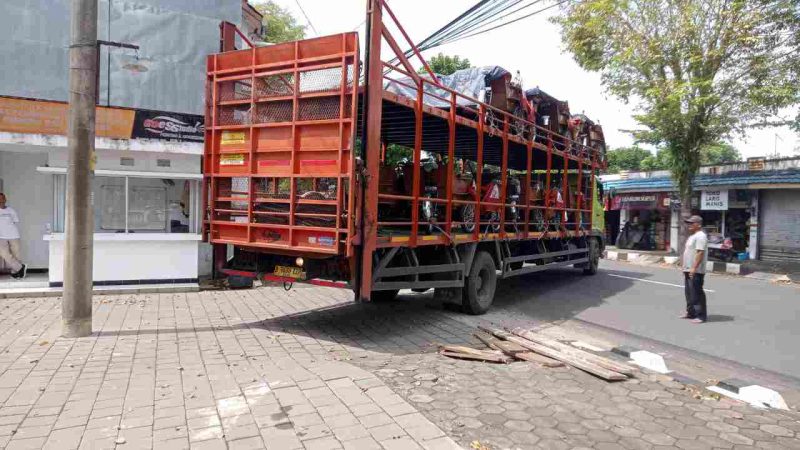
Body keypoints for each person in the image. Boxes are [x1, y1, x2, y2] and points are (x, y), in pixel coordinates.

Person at [681, 215, 708, 323]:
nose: (689, 225)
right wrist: (684, 267)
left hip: (696, 270)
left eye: (692, 223)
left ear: (699, 224)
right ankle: (691, 312)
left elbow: (700, 252)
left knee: (697, 292)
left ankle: (701, 316)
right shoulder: (692, 236)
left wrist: (694, 268)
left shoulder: (701, 236)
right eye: (689, 223)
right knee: (689, 292)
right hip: (688, 268)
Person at [0, 192, 26, 279]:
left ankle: (16, 273)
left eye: (2, 198)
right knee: (4, 254)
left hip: (13, 235)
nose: (1, 200)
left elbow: (15, 221)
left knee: (16, 255)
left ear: (5, 199)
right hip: (1, 237)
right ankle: (20, 268)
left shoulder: (11, 210)